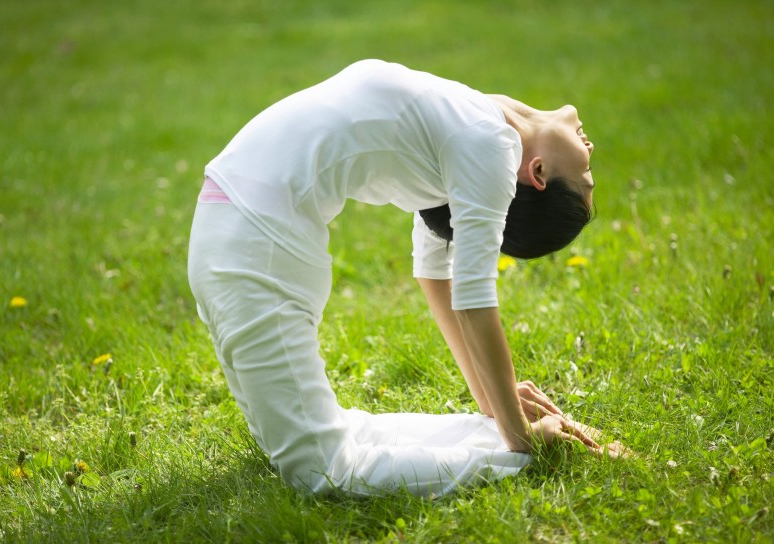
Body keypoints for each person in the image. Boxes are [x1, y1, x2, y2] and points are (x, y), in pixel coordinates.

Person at [188, 59, 625, 498]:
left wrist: (502, 411)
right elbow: (460, 291)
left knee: (318, 462)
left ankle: (514, 446)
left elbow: (441, 277)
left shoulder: (478, 138)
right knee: (320, 467)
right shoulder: (477, 127)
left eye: (586, 177)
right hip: (247, 243)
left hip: (241, 238)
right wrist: (515, 429)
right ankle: (519, 447)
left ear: (538, 174)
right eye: (589, 178)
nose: (591, 152)